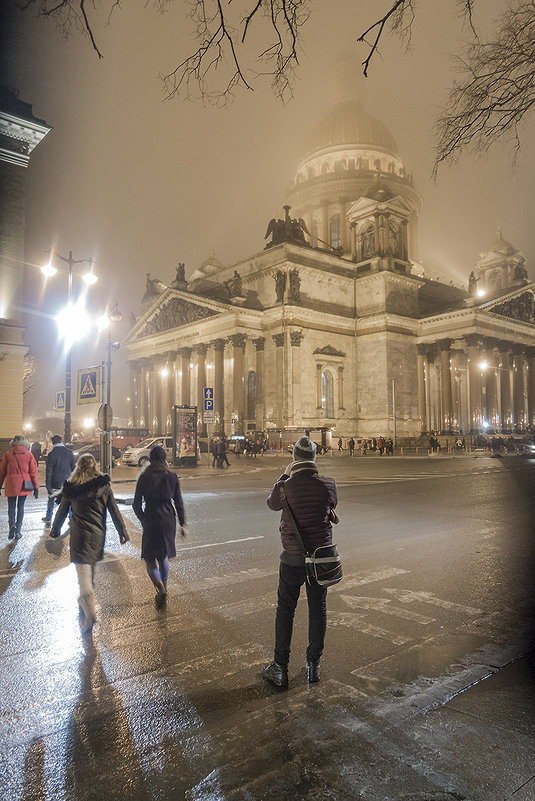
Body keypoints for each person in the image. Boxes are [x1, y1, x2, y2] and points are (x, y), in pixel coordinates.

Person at [262, 436, 338, 688]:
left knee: (286, 610)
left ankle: (280, 668)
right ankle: (313, 667)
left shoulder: (285, 486)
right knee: (318, 610)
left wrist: (284, 477)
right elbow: (330, 507)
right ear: (314, 459)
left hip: (293, 558)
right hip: (319, 561)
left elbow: (272, 504)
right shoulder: (328, 485)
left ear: (294, 458)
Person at [49, 453, 128, 633]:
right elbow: (114, 510)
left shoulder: (72, 488)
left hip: (80, 536)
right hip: (98, 536)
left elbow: (62, 512)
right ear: (94, 466)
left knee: (83, 576)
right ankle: (84, 605)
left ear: (78, 467)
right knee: (90, 570)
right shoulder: (103, 486)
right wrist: (122, 531)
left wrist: (55, 530)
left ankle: (89, 613)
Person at [133, 445, 188, 607]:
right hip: (168, 519)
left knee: (150, 559)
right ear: (164, 459)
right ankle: (165, 586)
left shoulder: (144, 477)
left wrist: (143, 519)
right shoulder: (172, 476)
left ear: (151, 459)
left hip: (151, 517)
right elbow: (178, 502)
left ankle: (160, 588)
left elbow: (136, 504)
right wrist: (183, 524)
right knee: (163, 556)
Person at [0, 434, 39, 540]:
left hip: (11, 483)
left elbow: (2, 472)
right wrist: (36, 487)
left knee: (11, 507)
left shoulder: (7, 455)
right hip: (24, 484)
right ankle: (18, 531)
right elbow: (33, 472)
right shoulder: (29, 455)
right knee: (20, 507)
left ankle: (11, 526)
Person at [43, 434, 76, 527]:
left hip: (55, 481)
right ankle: (71, 517)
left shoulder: (52, 454)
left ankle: (49, 517)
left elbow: (49, 471)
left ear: (53, 443)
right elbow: (73, 467)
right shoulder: (69, 452)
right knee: (68, 500)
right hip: (67, 481)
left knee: (51, 499)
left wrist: (48, 484)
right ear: (61, 441)